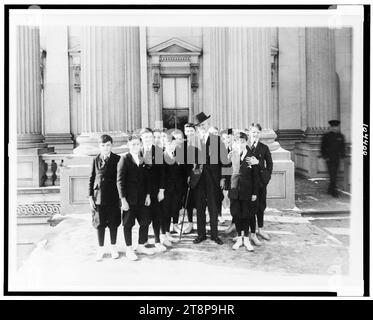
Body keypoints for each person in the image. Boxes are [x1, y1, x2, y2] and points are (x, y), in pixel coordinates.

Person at [192, 112, 227, 245]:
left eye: (204, 124)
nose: (203, 127)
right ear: (197, 127)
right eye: (200, 125)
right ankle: (201, 235)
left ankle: (214, 235)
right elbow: (190, 163)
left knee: (213, 207)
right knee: (200, 208)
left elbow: (225, 161)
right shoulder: (193, 140)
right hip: (198, 179)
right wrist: (190, 177)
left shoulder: (216, 140)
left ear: (208, 124)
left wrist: (224, 178)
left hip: (213, 179)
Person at [117, 134, 153, 261]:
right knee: (128, 224)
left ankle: (141, 245)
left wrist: (148, 195)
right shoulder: (124, 159)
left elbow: (147, 179)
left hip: (143, 198)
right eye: (133, 144)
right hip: (129, 199)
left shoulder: (142, 159)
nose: (135, 146)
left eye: (138, 144)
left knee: (145, 222)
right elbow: (120, 181)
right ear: (129, 145)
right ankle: (129, 249)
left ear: (141, 145)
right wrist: (123, 200)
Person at [88, 134, 121, 261]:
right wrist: (90, 196)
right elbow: (91, 179)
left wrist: (121, 197)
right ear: (99, 146)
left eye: (108, 145)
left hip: (113, 196)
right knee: (99, 224)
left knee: (113, 223)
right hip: (99, 197)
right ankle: (100, 249)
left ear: (111, 145)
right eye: (103, 145)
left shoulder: (118, 159)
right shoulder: (95, 160)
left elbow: (121, 179)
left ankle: (113, 247)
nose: (105, 148)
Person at [228, 132, 259, 251]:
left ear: (246, 142)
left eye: (242, 142)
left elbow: (256, 177)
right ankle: (239, 238)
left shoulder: (252, 157)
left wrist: (254, 193)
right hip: (235, 191)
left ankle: (246, 238)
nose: (240, 144)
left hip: (247, 191)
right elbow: (228, 173)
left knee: (246, 215)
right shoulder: (233, 155)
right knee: (237, 214)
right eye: (237, 141)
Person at [140, 128, 167, 252]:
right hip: (142, 190)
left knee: (157, 216)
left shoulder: (159, 151)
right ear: (142, 139)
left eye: (150, 137)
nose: (148, 139)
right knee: (144, 217)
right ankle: (143, 241)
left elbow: (162, 173)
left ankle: (157, 241)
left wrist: (161, 190)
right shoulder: (138, 152)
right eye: (145, 137)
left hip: (156, 189)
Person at [247, 123, 273, 243]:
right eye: (253, 132)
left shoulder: (264, 147)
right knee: (251, 207)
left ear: (260, 134)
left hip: (261, 183)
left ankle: (260, 229)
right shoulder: (245, 146)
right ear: (249, 133)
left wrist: (259, 165)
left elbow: (270, 164)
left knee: (261, 206)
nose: (255, 134)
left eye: (257, 132)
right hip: (248, 183)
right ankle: (251, 232)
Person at [162, 134, 187, 243]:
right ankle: (166, 232)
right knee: (166, 211)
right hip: (167, 189)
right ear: (165, 144)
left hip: (178, 188)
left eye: (172, 143)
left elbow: (183, 171)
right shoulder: (162, 156)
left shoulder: (178, 155)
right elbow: (162, 175)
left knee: (175, 208)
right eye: (168, 143)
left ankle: (174, 225)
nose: (171, 145)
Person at [321, 120, 346, 197]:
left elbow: (342, 147)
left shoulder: (341, 136)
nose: (335, 128)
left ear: (338, 127)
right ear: (331, 127)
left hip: (337, 158)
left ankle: (330, 189)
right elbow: (322, 148)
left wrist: (343, 155)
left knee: (334, 175)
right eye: (333, 127)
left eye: (336, 127)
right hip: (329, 158)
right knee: (332, 175)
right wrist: (325, 157)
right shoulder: (326, 136)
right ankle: (334, 192)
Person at [182, 123, 199, 234]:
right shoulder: (182, 145)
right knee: (188, 202)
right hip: (186, 178)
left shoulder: (200, 144)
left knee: (199, 202)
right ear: (184, 132)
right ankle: (190, 224)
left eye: (191, 131)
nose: (189, 133)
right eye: (187, 131)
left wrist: (194, 173)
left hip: (198, 177)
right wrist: (187, 175)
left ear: (195, 132)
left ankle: (200, 224)